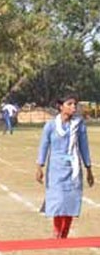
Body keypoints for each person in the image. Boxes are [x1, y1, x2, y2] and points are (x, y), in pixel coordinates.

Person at [36, 93, 93, 239]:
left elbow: (84, 147)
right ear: (61, 107)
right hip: (55, 168)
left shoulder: (78, 125)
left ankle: (64, 233)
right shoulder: (50, 126)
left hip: (73, 168)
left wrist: (88, 169)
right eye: (70, 104)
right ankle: (56, 231)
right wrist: (39, 167)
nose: (73, 107)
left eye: (75, 104)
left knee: (70, 200)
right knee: (58, 200)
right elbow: (44, 146)